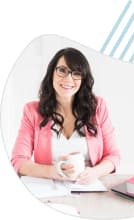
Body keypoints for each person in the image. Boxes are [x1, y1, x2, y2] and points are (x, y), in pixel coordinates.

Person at [11, 47, 120, 184]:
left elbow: (113, 156)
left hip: (89, 189)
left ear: (83, 79)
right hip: (49, 190)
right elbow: (18, 160)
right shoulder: (32, 111)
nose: (68, 78)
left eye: (76, 73)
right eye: (62, 70)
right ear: (52, 73)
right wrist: (54, 171)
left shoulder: (98, 108)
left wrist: (95, 172)